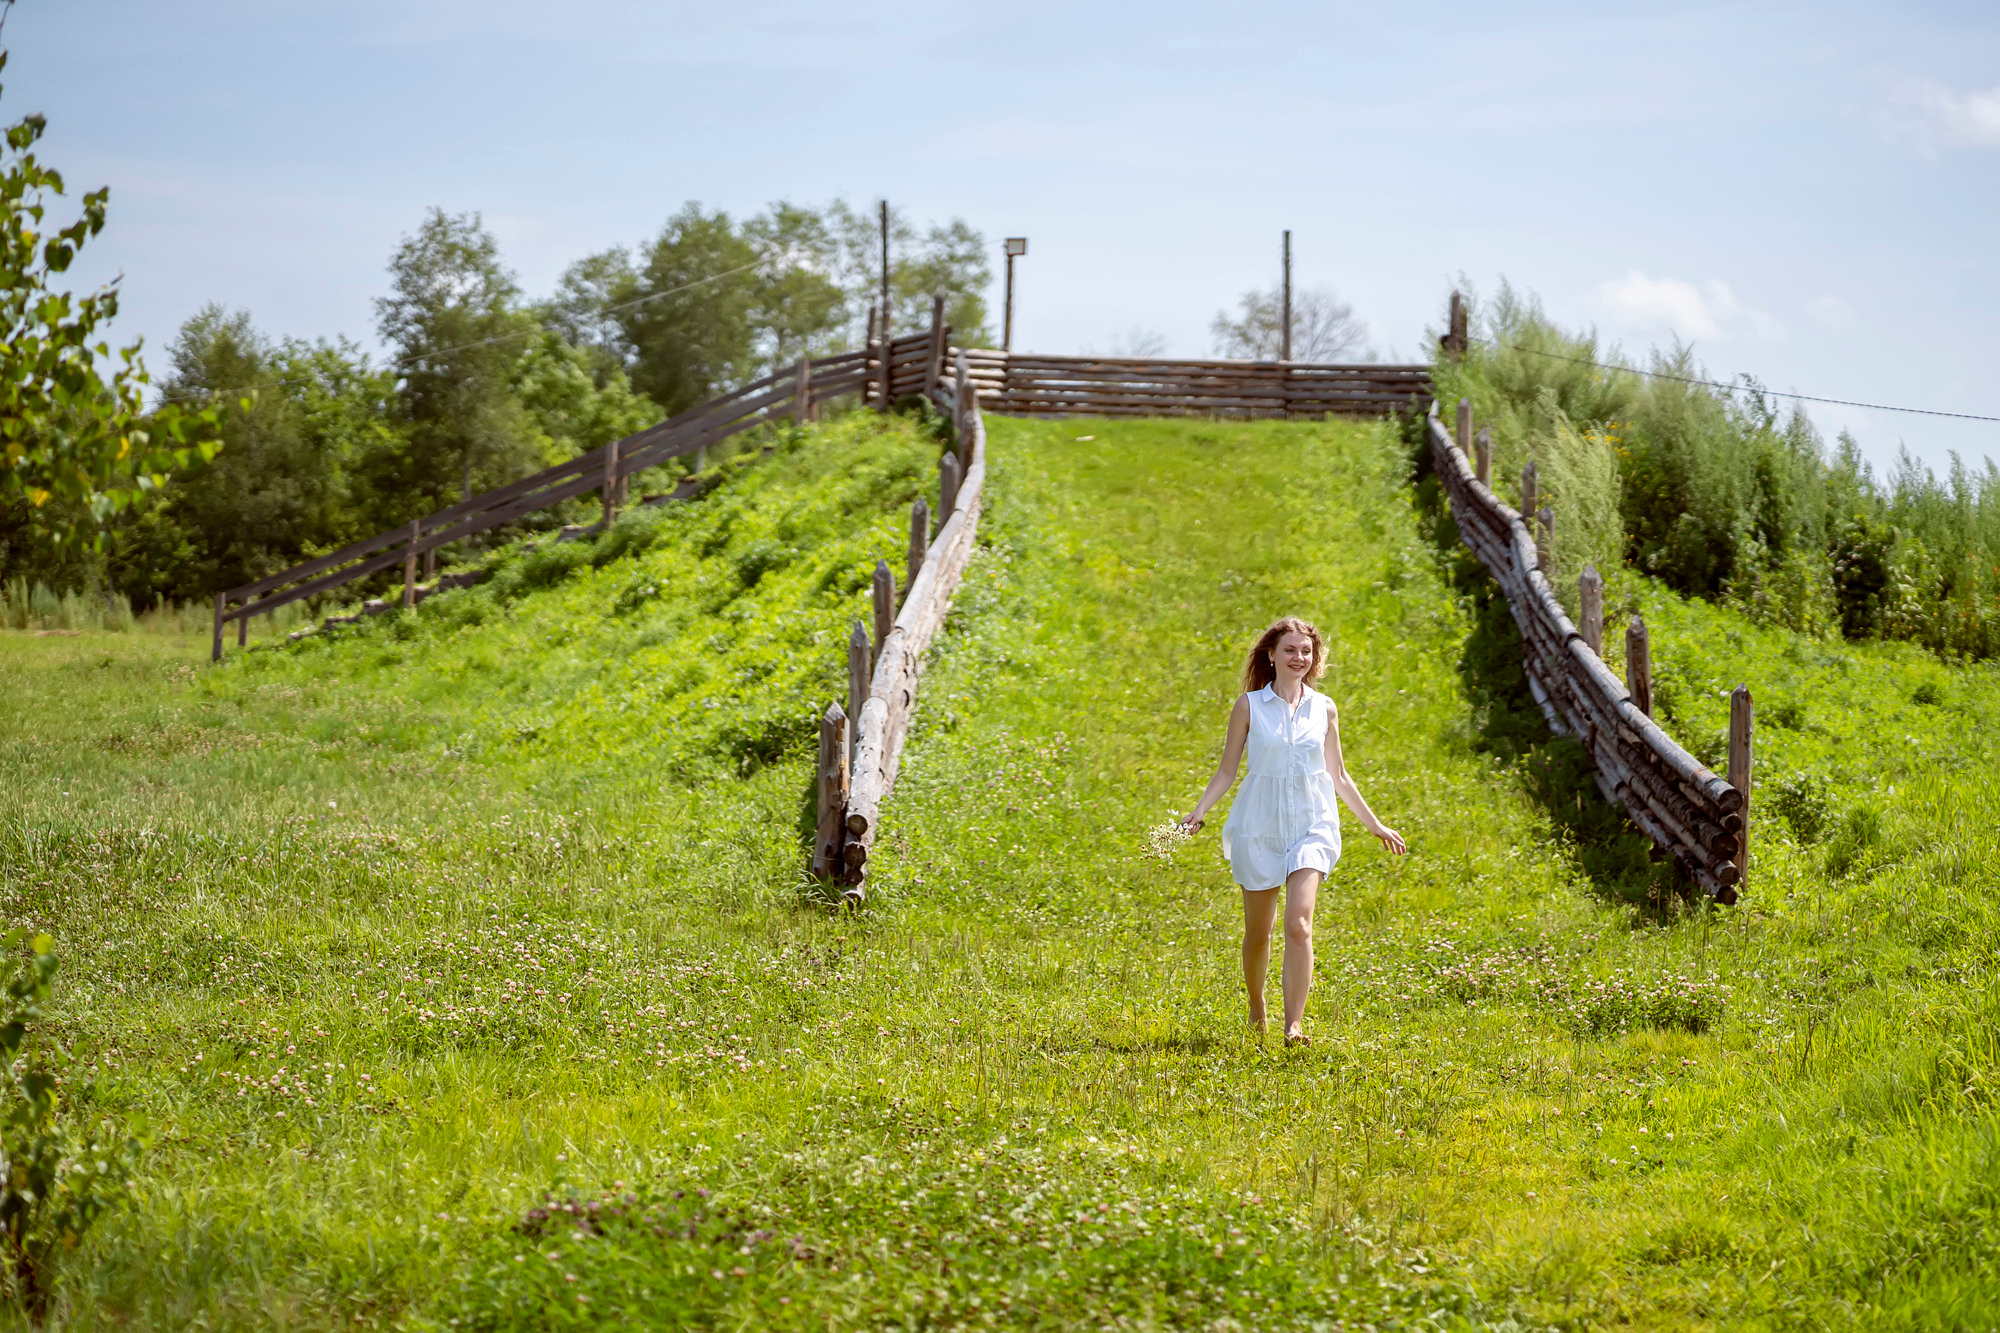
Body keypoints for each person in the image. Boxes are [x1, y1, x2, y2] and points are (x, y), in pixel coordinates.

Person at [1181, 616, 1406, 1046]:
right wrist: (1198, 811)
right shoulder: (1249, 706)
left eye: (1306, 651)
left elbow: (1338, 774)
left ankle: (1293, 1025)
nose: (1299, 658)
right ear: (1271, 655)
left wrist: (1375, 825)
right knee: (1258, 933)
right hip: (1259, 826)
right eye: (1290, 650)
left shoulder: (1325, 708)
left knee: (1299, 926)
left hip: (1311, 824)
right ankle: (1257, 1005)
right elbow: (1227, 770)